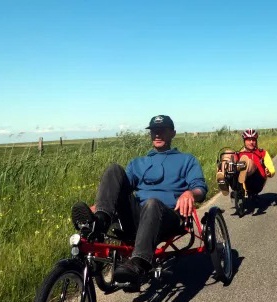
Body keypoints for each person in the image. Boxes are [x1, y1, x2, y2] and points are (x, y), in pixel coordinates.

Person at [70, 115, 208, 284]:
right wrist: (99, 205)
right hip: (137, 217)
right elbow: (119, 189)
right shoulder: (137, 163)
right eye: (154, 131)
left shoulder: (187, 160)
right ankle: (99, 221)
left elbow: (200, 188)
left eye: (162, 131)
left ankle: (139, 262)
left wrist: (190, 194)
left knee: (152, 203)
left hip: (169, 217)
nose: (157, 135)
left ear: (172, 133)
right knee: (114, 170)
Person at [216, 128, 276, 198]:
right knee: (228, 153)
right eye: (248, 140)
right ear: (244, 141)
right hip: (238, 180)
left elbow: (271, 167)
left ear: (256, 141)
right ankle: (223, 178)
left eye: (253, 140)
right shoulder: (240, 153)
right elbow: (232, 158)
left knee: (246, 160)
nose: (251, 142)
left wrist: (270, 172)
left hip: (256, 181)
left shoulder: (262, 152)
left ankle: (243, 175)